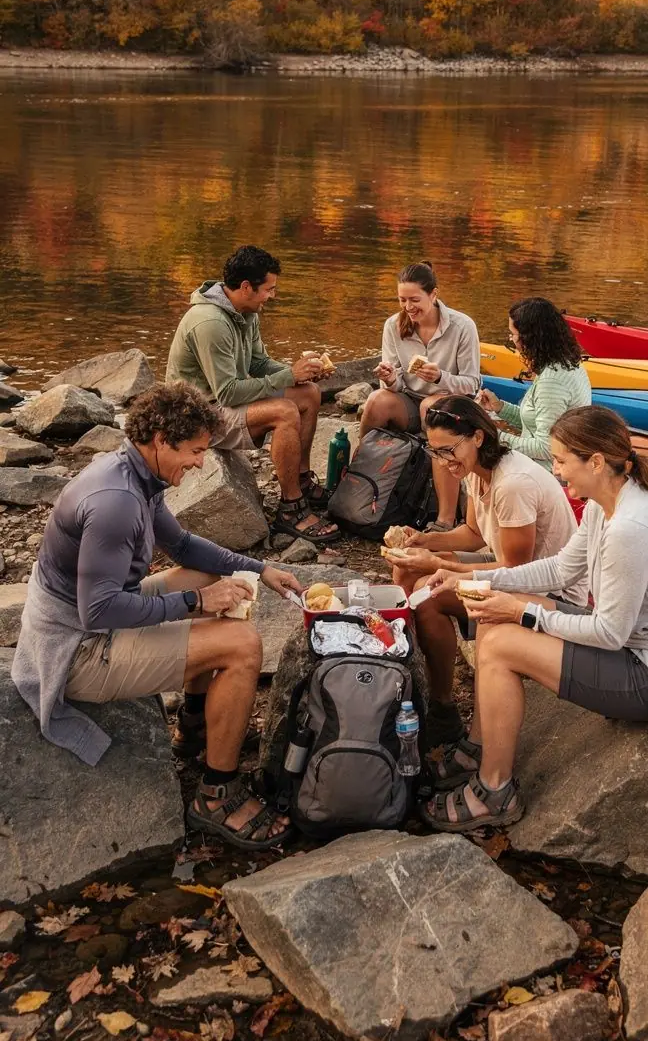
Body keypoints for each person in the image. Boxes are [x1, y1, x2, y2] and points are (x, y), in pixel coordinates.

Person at [12, 382, 304, 851]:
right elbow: (99, 608)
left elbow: (184, 547)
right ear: (161, 439)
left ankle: (194, 725)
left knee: (201, 576)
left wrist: (260, 569)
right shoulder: (116, 501)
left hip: (92, 618)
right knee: (242, 645)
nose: (200, 463)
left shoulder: (138, 475)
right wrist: (196, 605)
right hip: (76, 648)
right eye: (194, 451)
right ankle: (215, 794)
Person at [420, 404, 648, 833]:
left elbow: (609, 633)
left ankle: (495, 790)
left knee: (503, 643)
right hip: (636, 648)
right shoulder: (606, 502)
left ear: (595, 461)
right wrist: (478, 578)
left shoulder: (631, 528)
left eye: (561, 460)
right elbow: (560, 570)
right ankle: (478, 746)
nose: (556, 471)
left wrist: (524, 613)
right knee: (492, 614)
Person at [387, 396, 586, 746]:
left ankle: (446, 709)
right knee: (409, 574)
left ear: (478, 437)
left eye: (449, 450)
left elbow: (517, 569)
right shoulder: (476, 471)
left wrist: (440, 565)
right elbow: (475, 534)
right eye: (436, 452)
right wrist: (424, 541)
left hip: (548, 590)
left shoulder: (512, 484)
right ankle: (431, 695)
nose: (444, 461)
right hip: (511, 569)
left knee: (426, 594)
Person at [165, 244, 338, 542]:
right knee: (284, 413)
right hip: (195, 417)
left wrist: (300, 374)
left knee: (308, 393)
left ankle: (300, 480)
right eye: (269, 289)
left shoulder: (245, 312)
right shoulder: (211, 323)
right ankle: (291, 510)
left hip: (218, 404)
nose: (273, 295)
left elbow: (258, 363)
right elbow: (229, 393)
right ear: (246, 287)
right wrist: (287, 376)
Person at [359, 261, 480, 530]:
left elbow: (472, 384)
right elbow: (396, 383)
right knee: (376, 401)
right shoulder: (393, 325)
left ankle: (445, 518)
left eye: (415, 299)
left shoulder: (462, 326)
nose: (408, 307)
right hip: (409, 401)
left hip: (449, 404)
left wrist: (440, 378)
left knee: (431, 406)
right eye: (402, 300)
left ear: (434, 295)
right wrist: (389, 378)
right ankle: (357, 483)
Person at [479, 298, 591, 470]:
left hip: (547, 472)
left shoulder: (552, 381)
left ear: (529, 338)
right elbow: (536, 421)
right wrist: (500, 407)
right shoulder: (568, 364)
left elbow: (546, 448)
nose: (512, 339)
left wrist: (494, 436)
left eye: (513, 334)